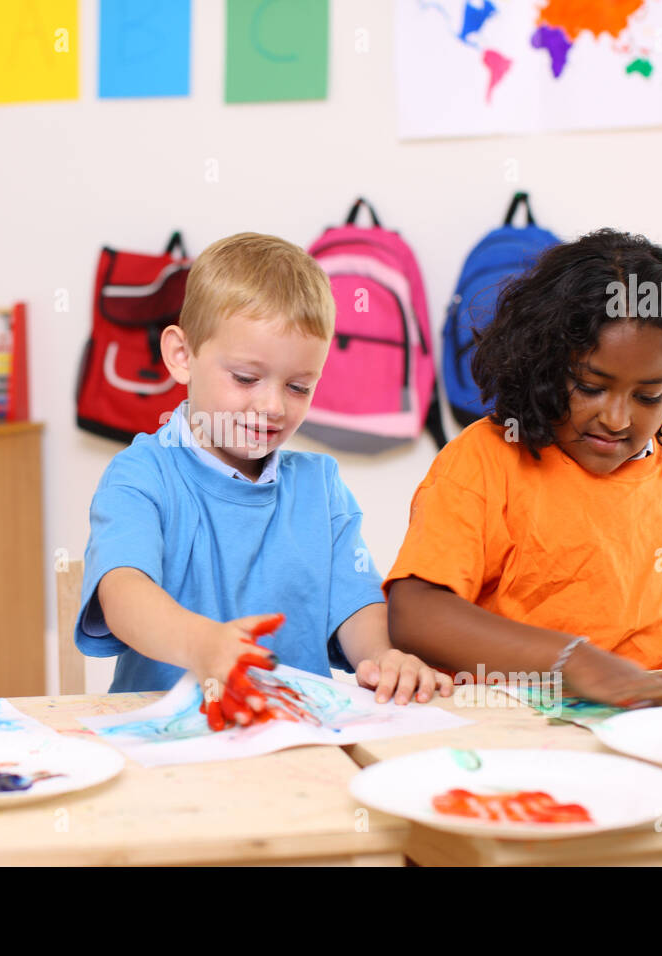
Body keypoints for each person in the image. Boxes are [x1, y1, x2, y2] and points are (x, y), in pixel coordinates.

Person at [386, 229, 662, 707]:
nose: (616, 419)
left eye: (648, 396)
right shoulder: (485, 459)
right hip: (510, 734)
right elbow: (416, 614)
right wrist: (572, 661)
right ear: (545, 366)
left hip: (654, 735)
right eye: (591, 387)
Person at [76, 232, 451, 720]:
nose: (273, 406)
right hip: (171, 738)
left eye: (298, 387)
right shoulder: (141, 474)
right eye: (247, 378)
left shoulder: (321, 485)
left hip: (295, 736)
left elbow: (356, 606)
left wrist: (383, 657)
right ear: (182, 355)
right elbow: (124, 594)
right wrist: (204, 645)